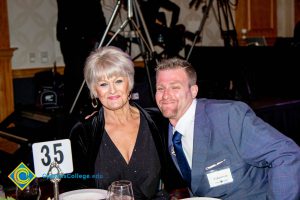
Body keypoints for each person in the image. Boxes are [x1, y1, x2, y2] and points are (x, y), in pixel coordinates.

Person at [154, 57, 300, 199]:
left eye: (175, 87)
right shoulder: (174, 130)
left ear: (193, 91)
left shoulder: (228, 116)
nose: (165, 95)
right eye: (160, 88)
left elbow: (286, 154)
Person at [66, 46, 188, 199]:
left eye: (118, 81)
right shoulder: (83, 133)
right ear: (95, 90)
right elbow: (76, 188)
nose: (112, 91)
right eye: (103, 84)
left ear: (129, 83)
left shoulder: (158, 121)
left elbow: (177, 181)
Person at [56, 0, 107, 114]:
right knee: (76, 73)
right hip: (73, 34)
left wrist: (103, 32)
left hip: (87, 34)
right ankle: (75, 111)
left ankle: (87, 109)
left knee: (90, 72)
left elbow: (96, 10)